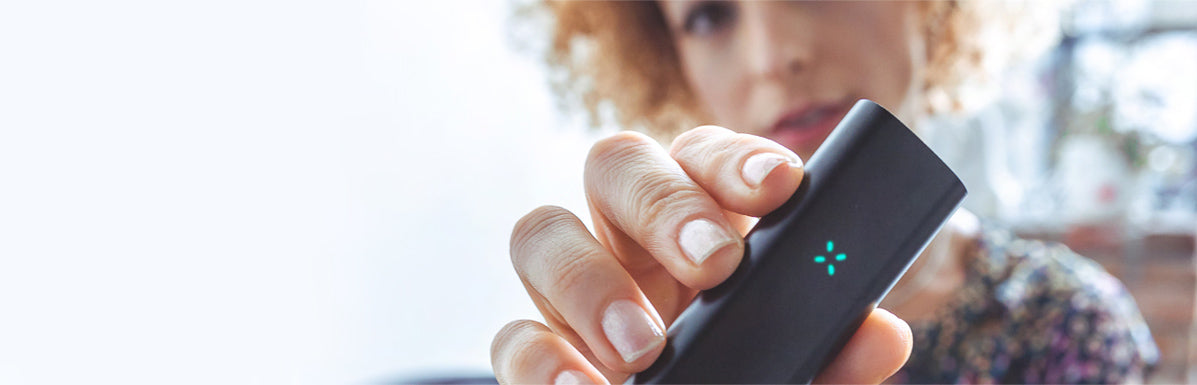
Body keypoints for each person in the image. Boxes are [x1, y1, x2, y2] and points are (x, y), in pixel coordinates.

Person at [490, 2, 1158, 384]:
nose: (773, 54)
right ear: (667, 60)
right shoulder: (652, 313)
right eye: (708, 15)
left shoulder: (1061, 317)